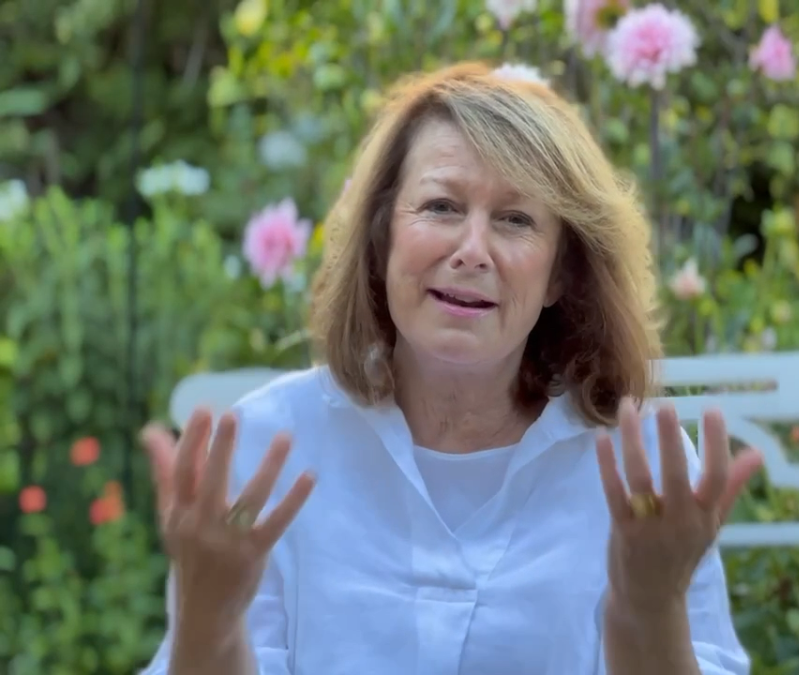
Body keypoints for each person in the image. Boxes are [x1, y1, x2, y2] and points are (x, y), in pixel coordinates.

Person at [140, 61, 763, 675]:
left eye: (516, 220)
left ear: (562, 273)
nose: (471, 252)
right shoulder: (267, 445)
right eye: (441, 207)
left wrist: (648, 609)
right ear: (382, 240)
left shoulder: (640, 469)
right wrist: (209, 618)